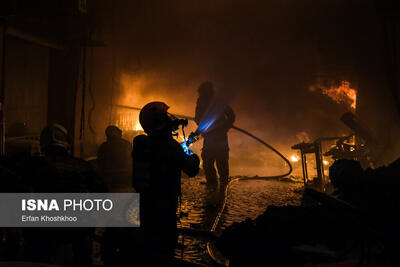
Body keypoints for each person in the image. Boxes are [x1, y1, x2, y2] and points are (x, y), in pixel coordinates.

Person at [20, 123, 106, 265]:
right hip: (80, 225)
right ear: (66, 143)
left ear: (43, 145)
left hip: (46, 226)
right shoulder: (83, 165)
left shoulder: (34, 165)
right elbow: (102, 193)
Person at [132, 101, 200, 258]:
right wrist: (194, 156)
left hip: (145, 204)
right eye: (165, 116)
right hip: (165, 206)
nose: (170, 119)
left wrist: (186, 143)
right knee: (164, 246)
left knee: (147, 243)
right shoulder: (170, 146)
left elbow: (166, 151)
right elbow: (192, 169)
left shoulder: (141, 143)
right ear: (160, 121)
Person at [195, 82, 235, 202]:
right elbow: (197, 117)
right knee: (207, 162)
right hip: (209, 137)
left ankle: (223, 187)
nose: (202, 95)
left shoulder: (218, 101)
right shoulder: (201, 102)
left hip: (220, 136)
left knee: (221, 161)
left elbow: (231, 115)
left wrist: (226, 126)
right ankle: (212, 186)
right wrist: (203, 127)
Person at [97, 125, 132, 192]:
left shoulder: (104, 146)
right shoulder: (127, 144)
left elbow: (100, 162)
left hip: (109, 178)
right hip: (125, 178)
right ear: (119, 133)